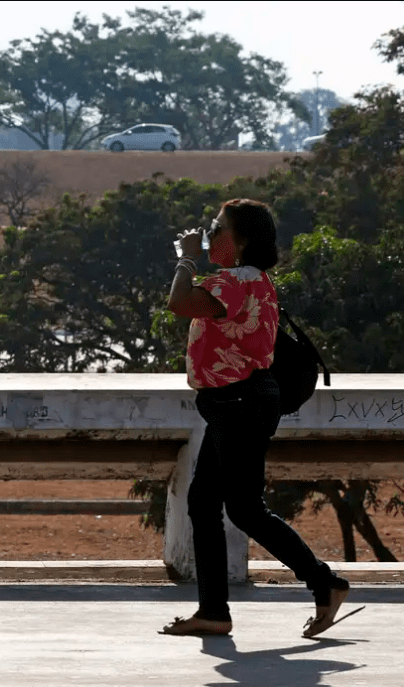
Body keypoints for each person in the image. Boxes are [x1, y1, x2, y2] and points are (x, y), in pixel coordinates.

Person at [160, 198, 349, 638]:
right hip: (236, 404)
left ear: (241, 241)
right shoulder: (249, 279)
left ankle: (323, 582)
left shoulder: (237, 280)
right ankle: (214, 611)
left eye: (217, 228)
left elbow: (179, 302)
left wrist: (186, 256)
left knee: (241, 508)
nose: (210, 234)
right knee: (208, 504)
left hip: (240, 403)